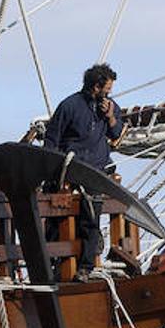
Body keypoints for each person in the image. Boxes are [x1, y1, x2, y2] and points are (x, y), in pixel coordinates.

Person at [43, 63, 126, 282]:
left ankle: (85, 268)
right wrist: (50, 172)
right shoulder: (70, 106)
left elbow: (116, 132)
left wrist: (110, 117)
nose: (109, 94)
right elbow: (52, 140)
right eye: (107, 89)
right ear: (96, 86)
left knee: (91, 219)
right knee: (57, 222)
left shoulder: (110, 107)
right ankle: (54, 265)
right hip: (70, 170)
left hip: (96, 171)